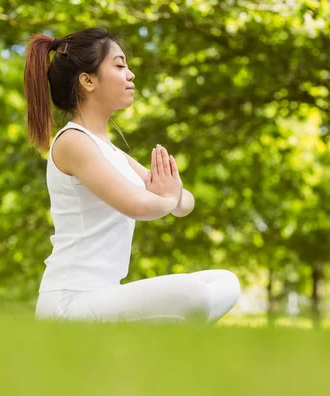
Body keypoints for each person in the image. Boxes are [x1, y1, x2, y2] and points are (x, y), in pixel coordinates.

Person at [23, 28, 240, 324]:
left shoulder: (110, 151)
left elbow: (183, 203)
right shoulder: (73, 142)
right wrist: (165, 196)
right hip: (70, 302)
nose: (131, 74)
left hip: (104, 296)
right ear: (88, 81)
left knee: (226, 282)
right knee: (192, 293)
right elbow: (138, 206)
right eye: (120, 65)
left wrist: (169, 195)